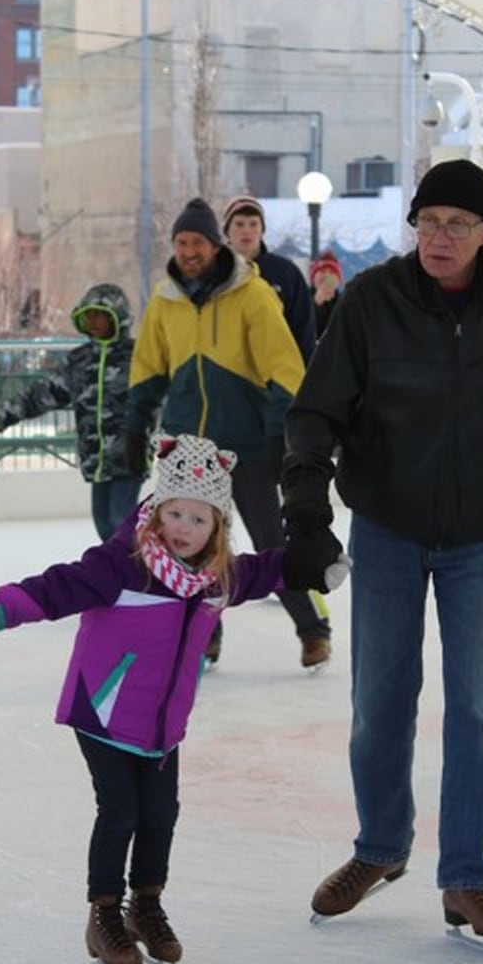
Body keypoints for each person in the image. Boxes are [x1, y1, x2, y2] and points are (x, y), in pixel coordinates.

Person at [281, 158, 483, 942]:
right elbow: (315, 412)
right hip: (389, 523)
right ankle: (380, 849)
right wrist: (306, 505)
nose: (439, 238)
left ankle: (469, 879)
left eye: (458, 225)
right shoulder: (374, 301)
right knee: (380, 702)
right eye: (428, 222)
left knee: (475, 707)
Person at [0, 434, 345, 964]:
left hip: (161, 724)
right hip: (105, 711)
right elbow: (57, 587)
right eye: (173, 513)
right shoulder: (123, 565)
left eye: (197, 519)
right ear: (156, 513)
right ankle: (105, 913)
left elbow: (271, 569)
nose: (182, 527)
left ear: (218, 528)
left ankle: (147, 908)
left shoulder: (216, 577)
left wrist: (316, 567)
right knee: (120, 812)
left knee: (160, 815)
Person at [123, 198, 326, 669]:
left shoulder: (252, 295)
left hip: (247, 443)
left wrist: (280, 434)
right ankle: (203, 637)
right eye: (181, 243)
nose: (189, 251)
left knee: (270, 541)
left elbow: (283, 365)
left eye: (197, 242)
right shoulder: (165, 299)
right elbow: (148, 368)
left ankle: (313, 629)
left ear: (215, 245)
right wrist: (136, 427)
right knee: (186, 545)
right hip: (187, 447)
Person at [0, 283, 142, 542]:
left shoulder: (139, 356)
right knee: (104, 524)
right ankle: (122, 575)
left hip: (129, 456)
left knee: (120, 521)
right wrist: (7, 414)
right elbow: (48, 393)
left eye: (100, 314)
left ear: (118, 317)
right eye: (88, 315)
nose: (93, 321)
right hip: (95, 457)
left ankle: (141, 575)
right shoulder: (79, 360)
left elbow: (164, 393)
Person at [222, 194, 317, 363]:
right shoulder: (214, 273)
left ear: (262, 230)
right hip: (226, 373)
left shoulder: (285, 272)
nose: (247, 230)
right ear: (227, 230)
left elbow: (303, 328)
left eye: (253, 224)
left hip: (276, 371)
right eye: (239, 224)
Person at [309, 251, 344, 342]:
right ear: (314, 277)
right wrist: (316, 304)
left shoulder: (345, 301)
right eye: (322, 271)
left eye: (332, 272)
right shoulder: (302, 297)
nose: (327, 275)